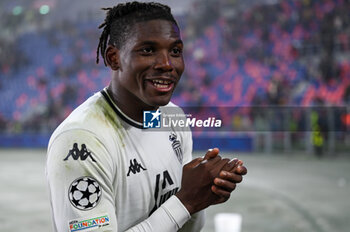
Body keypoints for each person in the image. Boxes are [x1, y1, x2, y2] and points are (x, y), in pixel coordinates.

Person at [46, 2, 247, 232]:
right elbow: (181, 206)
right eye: (148, 50)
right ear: (114, 58)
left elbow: (187, 225)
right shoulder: (81, 141)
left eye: (175, 51)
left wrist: (203, 194)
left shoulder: (173, 117)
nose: (167, 64)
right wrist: (185, 201)